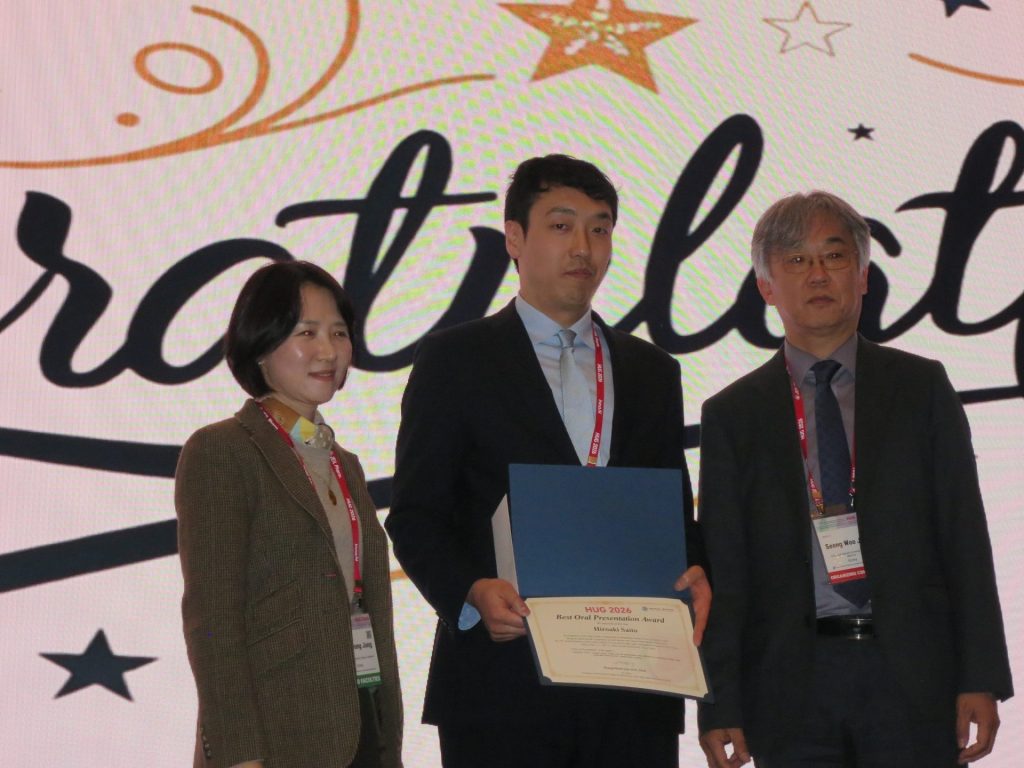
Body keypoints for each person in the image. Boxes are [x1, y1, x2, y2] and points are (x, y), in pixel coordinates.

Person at [385, 154, 710, 768]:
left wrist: (696, 569)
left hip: (633, 687)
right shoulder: (454, 360)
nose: (584, 247)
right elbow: (415, 516)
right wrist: (471, 591)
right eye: (562, 226)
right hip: (502, 688)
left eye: (600, 228)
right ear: (514, 237)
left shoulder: (651, 371)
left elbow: (672, 512)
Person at [696, 191, 1013, 767]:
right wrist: (719, 701)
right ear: (766, 287)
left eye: (834, 256)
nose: (818, 274)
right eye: (796, 260)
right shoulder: (732, 415)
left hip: (913, 675)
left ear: (863, 276)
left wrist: (981, 674)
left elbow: (963, 535)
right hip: (788, 685)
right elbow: (727, 569)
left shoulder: (921, 388)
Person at [175, 261, 403, 768]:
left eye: (339, 333)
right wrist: (239, 753)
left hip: (364, 726)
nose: (329, 351)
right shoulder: (223, 450)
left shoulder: (344, 463)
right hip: (277, 739)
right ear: (260, 344)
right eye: (307, 333)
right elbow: (211, 621)